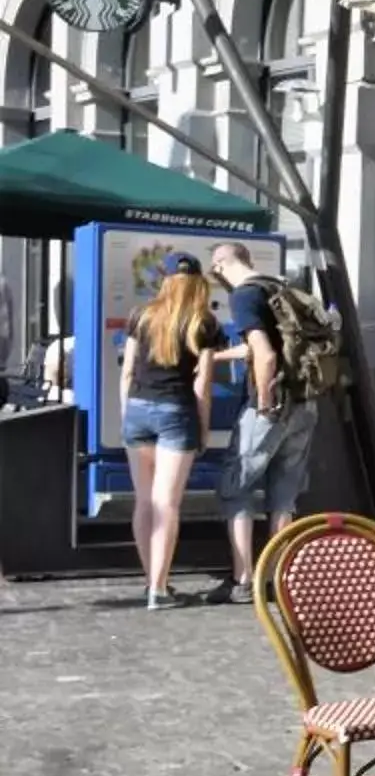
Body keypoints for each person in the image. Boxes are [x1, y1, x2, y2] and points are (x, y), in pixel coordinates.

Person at [203, 241, 318, 606]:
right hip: (305, 403)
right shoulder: (277, 288)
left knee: (237, 487)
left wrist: (265, 403)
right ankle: (277, 577)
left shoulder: (244, 296)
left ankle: (242, 580)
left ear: (222, 265)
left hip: (272, 405)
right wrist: (216, 356)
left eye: (215, 270)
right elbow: (262, 347)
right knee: (284, 492)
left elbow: (265, 356)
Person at [118, 256, 221, 610]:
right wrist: (204, 428)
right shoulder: (203, 322)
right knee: (167, 504)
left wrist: (126, 414)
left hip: (137, 410)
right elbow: (202, 383)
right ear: (197, 285)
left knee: (144, 501)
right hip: (176, 412)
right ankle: (158, 590)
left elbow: (128, 372)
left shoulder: (141, 315)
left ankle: (153, 582)